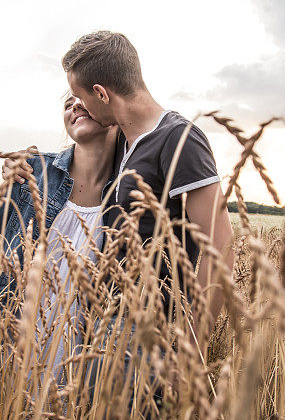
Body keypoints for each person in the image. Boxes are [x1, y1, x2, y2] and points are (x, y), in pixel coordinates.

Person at [61, 31, 234, 346]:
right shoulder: (124, 142)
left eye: (80, 96)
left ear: (100, 94)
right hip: (102, 325)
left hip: (143, 332)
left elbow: (220, 248)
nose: (80, 107)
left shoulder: (179, 139)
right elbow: (73, 162)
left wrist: (191, 351)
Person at [0, 92, 119, 382]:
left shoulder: (130, 192)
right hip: (6, 355)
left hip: (77, 374)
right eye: (68, 103)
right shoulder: (32, 173)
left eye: (84, 96)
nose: (74, 106)